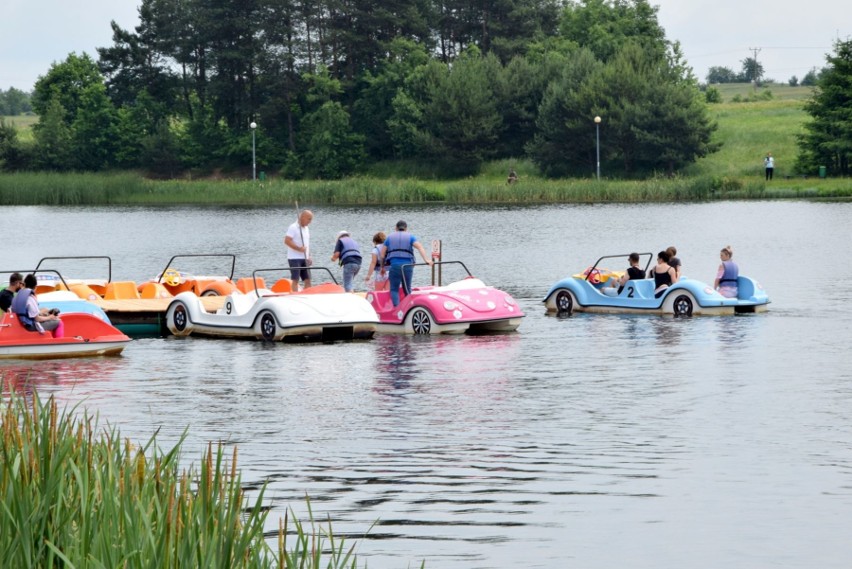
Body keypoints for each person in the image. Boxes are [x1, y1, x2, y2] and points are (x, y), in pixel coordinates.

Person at [379, 220, 433, 306]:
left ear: (396, 228)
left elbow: (382, 255)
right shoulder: (411, 237)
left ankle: (397, 310)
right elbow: (420, 247)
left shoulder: (389, 238)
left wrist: (382, 268)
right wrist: (427, 260)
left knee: (394, 289)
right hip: (408, 266)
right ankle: (410, 308)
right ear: (406, 228)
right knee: (407, 288)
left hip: (395, 266)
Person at [284, 209, 313, 291]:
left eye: (311, 219)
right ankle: (295, 296)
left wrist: (309, 256)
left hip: (305, 257)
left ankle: (307, 296)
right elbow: (287, 241)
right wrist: (298, 248)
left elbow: (306, 244)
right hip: (294, 258)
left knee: (308, 280)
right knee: (295, 280)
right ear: (302, 217)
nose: (310, 222)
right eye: (309, 219)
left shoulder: (306, 228)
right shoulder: (293, 227)